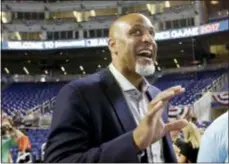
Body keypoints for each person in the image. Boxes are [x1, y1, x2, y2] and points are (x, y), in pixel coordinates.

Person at [44, 13, 188, 163]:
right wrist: (134, 142)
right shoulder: (80, 94)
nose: (148, 39)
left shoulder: (156, 96)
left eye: (151, 33)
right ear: (113, 45)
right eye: (136, 32)